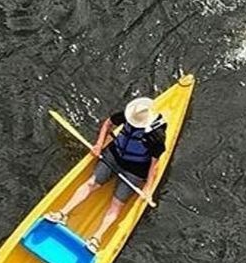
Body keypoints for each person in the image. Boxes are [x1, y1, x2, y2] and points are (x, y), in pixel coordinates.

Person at [46, 97, 167, 253]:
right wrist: (99, 144)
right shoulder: (129, 115)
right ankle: (61, 214)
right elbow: (108, 123)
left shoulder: (156, 135)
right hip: (113, 156)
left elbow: (154, 164)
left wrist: (148, 189)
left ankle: (96, 238)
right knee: (91, 183)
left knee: (116, 203)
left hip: (135, 170)